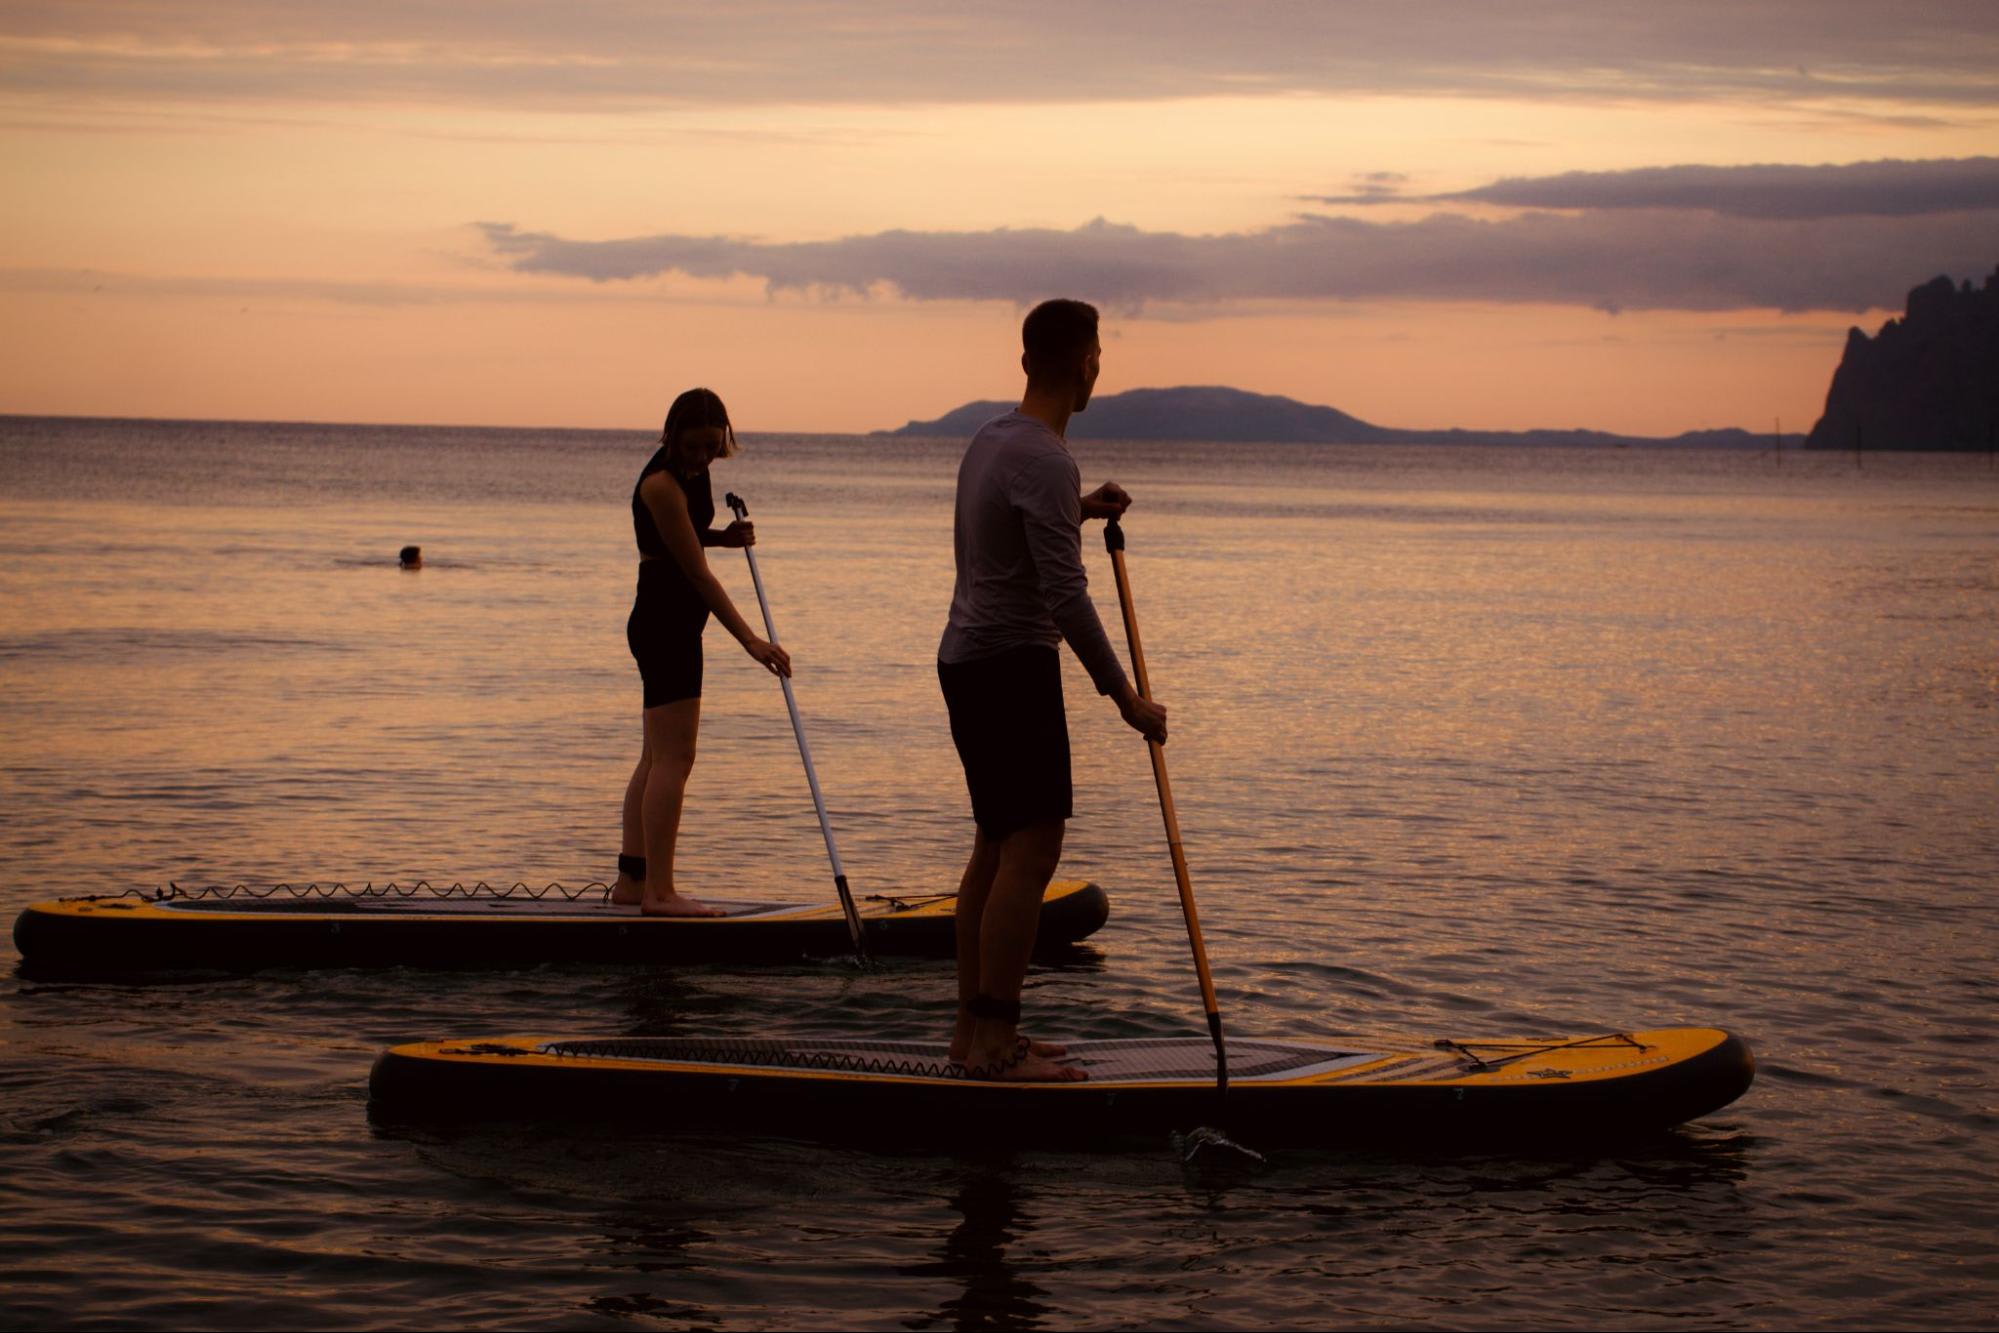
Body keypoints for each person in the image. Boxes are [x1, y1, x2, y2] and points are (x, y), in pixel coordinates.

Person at [937, 299, 1169, 1081]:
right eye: (1100, 352)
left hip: (967, 660)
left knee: (994, 851)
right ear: (1085, 363)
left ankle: (973, 1037)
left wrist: (1077, 509)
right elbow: (1065, 597)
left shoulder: (993, 439)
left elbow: (1015, 524)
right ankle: (996, 1045)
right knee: (1030, 853)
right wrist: (1127, 698)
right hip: (1010, 664)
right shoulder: (1042, 455)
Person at [611, 388, 791, 916]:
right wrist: (751, 640)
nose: (700, 457)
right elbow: (693, 572)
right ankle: (660, 894)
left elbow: (682, 540)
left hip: (670, 623)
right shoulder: (661, 483)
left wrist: (721, 537)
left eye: (710, 447)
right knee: (676, 759)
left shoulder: (693, 474)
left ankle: (632, 882)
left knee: (655, 757)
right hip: (665, 624)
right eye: (691, 446)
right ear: (671, 436)